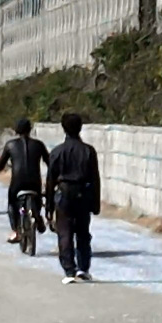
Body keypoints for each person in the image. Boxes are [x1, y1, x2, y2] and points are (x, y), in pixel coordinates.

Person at [44, 112, 101, 282]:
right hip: (83, 193)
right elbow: (95, 179)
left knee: (65, 233)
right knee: (83, 232)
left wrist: (48, 206)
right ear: (80, 128)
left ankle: (69, 270)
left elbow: (49, 181)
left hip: (63, 194)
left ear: (63, 128)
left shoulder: (57, 152)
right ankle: (83, 268)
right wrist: (95, 203)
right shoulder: (88, 151)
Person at [0, 117, 49, 244]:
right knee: (38, 198)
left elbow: (0, 165)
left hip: (18, 182)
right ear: (30, 129)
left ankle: (16, 232)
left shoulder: (10, 145)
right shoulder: (38, 145)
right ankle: (37, 216)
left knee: (12, 204)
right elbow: (49, 162)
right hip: (35, 181)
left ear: (16, 130)